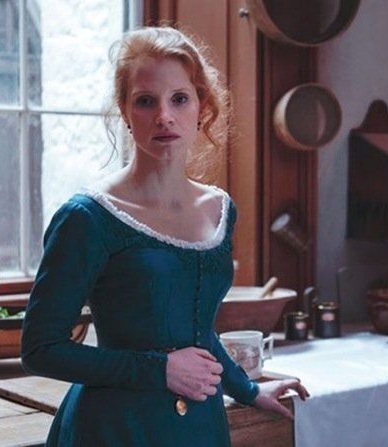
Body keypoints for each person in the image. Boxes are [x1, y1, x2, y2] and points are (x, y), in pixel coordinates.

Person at [21, 26, 309, 446]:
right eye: (145, 101)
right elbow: (40, 348)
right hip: (114, 429)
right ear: (124, 111)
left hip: (199, 427)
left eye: (179, 99)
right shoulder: (87, 218)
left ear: (202, 107)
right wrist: (160, 370)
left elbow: (198, 333)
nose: (164, 116)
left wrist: (248, 390)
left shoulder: (219, 209)